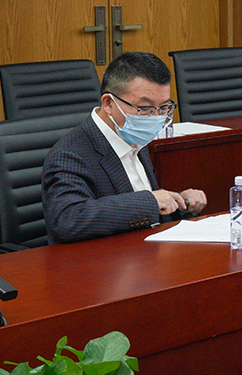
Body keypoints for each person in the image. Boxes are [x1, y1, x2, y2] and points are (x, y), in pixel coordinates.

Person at [41, 51, 208, 244]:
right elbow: (69, 219)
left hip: (144, 250)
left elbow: (140, 210)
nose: (156, 118)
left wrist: (180, 204)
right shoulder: (69, 155)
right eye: (144, 109)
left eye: (164, 108)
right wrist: (150, 201)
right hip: (100, 258)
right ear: (108, 103)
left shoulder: (134, 137)